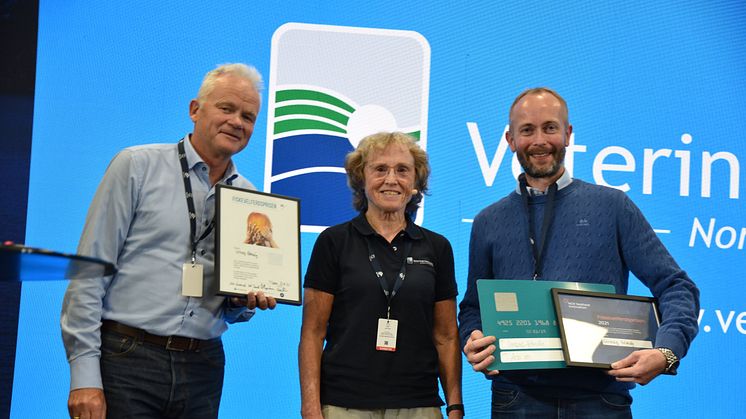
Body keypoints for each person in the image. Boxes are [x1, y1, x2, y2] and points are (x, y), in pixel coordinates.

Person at [458, 88, 700, 418]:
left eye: (550, 128)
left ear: (568, 134)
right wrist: (471, 340)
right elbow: (473, 308)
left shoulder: (613, 207)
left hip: (600, 400)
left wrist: (666, 352)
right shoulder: (488, 221)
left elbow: (677, 287)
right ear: (510, 140)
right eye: (527, 130)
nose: (539, 140)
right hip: (516, 399)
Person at [61, 63, 277, 419]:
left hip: (203, 365)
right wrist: (84, 376)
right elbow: (89, 272)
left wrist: (242, 300)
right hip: (127, 358)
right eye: (226, 108)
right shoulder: (136, 166)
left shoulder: (251, 201)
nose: (237, 122)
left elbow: (235, 309)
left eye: (248, 116)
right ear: (195, 110)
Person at [299, 132, 464, 419]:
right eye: (380, 169)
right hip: (343, 404)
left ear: (415, 183)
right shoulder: (333, 241)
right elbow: (313, 333)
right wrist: (311, 408)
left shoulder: (437, 247)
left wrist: (455, 406)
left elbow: (447, 336)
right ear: (361, 179)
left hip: (420, 405)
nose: (391, 179)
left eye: (402, 170)